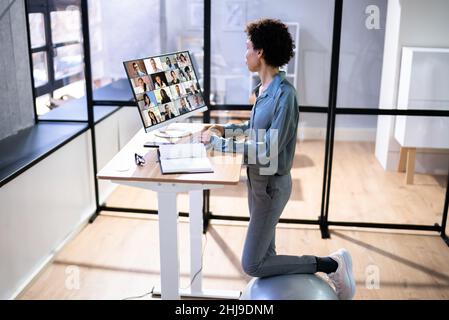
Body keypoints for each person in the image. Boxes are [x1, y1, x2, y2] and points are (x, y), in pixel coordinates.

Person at [200, 19, 355, 300]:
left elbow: (268, 149)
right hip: (257, 182)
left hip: (272, 186)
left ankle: (330, 264)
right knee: (265, 255)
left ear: (260, 52)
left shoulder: (285, 95)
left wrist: (219, 144)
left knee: (252, 263)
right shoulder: (264, 90)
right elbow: (253, 132)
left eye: (247, 47)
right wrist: (224, 130)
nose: (244, 53)